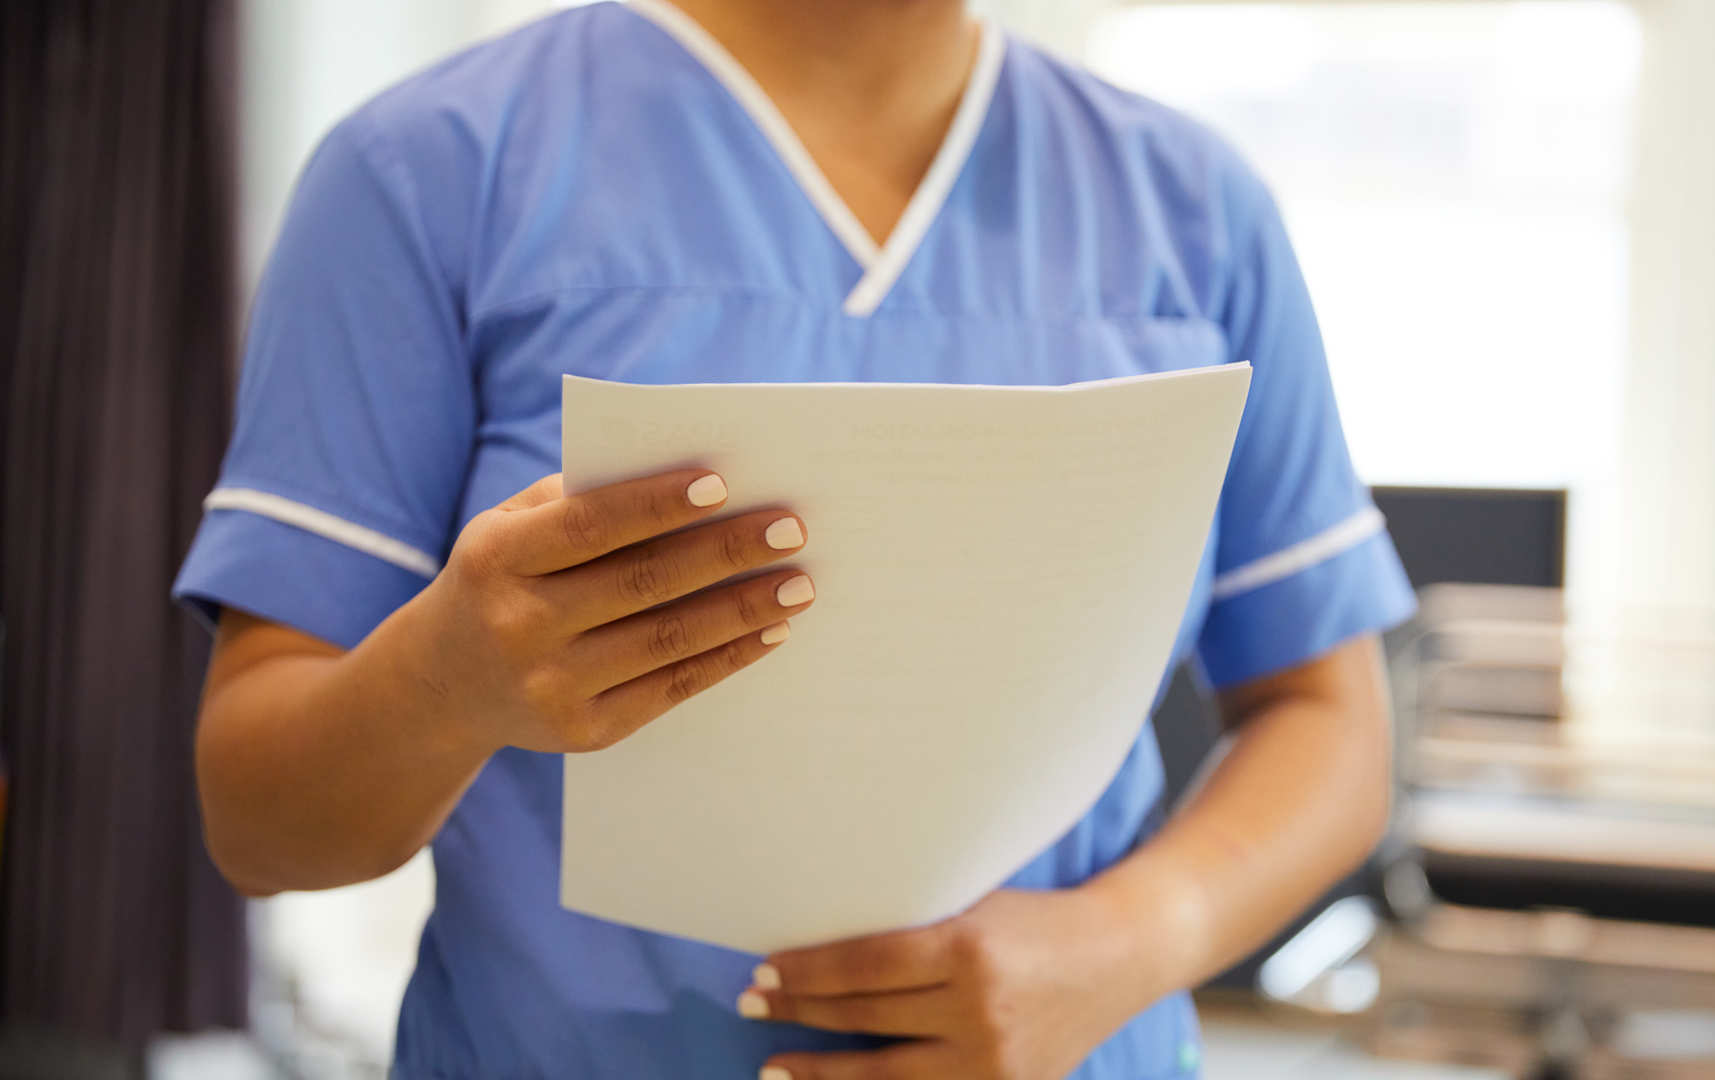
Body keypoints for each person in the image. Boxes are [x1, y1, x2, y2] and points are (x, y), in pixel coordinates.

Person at [173, 1, 1416, 1076]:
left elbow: (1331, 719)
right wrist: (445, 683)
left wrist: (1126, 943)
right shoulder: (429, 173)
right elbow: (258, 821)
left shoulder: (1191, 208)